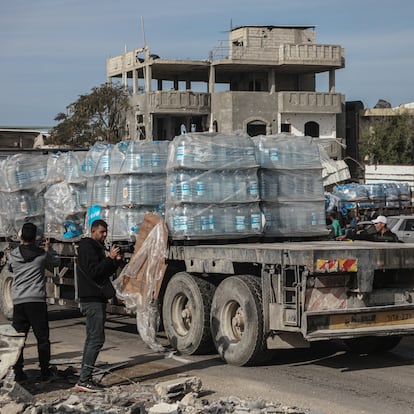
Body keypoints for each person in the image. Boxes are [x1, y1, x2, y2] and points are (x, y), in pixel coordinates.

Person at [8, 222, 60, 382]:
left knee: (19, 338)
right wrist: (48, 248)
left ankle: (18, 371)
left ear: (21, 237)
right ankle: (45, 371)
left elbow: (10, 268)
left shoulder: (14, 254)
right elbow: (56, 262)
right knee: (42, 337)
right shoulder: (42, 255)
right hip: (36, 301)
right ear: (35, 237)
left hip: (19, 301)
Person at [75, 219, 122, 392]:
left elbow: (103, 272)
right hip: (92, 299)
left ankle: (85, 377)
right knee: (95, 339)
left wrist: (114, 261)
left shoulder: (95, 248)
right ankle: (84, 379)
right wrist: (109, 258)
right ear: (93, 231)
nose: (104, 235)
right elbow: (94, 272)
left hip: (95, 299)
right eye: (102, 232)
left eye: (105, 232)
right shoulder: (88, 247)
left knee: (93, 339)